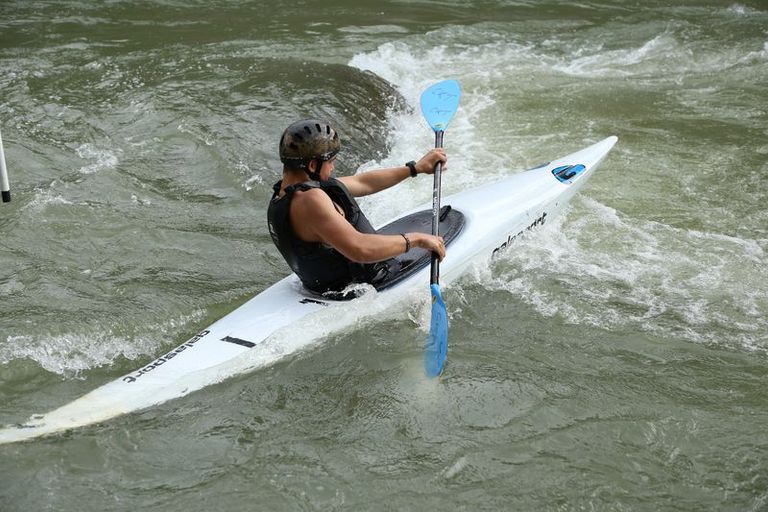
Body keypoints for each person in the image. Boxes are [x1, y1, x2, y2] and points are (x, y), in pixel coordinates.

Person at [267, 118, 447, 296]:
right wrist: (416, 240)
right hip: (366, 286)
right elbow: (360, 249)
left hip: (321, 288)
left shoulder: (283, 194)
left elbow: (363, 182)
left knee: (338, 188)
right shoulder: (310, 200)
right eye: (331, 161)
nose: (333, 167)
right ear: (313, 165)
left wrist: (414, 168)